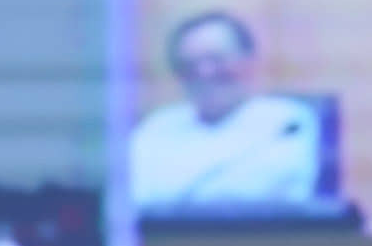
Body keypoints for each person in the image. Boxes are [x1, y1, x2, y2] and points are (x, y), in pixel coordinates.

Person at [130, 11, 322, 207]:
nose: (204, 72)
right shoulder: (156, 128)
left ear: (249, 62)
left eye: (217, 60)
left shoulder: (286, 123)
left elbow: (266, 191)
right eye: (189, 64)